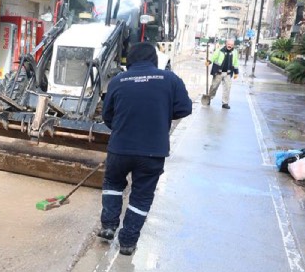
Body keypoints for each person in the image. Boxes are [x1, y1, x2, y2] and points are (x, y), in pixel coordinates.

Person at [98, 42, 192, 256]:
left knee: (113, 184)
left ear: (129, 60)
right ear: (153, 59)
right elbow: (185, 108)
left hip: (120, 148)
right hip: (153, 151)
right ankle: (128, 243)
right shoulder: (170, 79)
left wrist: (122, 127)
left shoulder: (118, 81)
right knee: (141, 196)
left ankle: (108, 226)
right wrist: (160, 117)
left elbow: (107, 115)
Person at [206, 39, 241, 109]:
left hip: (228, 73)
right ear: (226, 44)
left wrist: (236, 72)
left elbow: (236, 62)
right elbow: (214, 56)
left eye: (231, 45)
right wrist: (209, 61)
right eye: (228, 44)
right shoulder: (220, 50)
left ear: (233, 45)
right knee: (214, 86)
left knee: (227, 88)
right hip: (218, 72)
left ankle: (225, 103)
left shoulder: (235, 52)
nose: (230, 46)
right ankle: (209, 98)